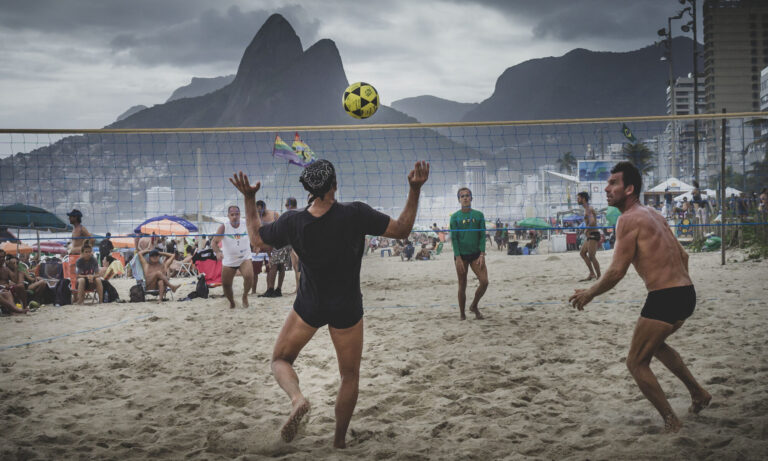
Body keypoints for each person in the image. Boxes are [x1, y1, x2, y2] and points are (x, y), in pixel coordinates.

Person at [229, 159, 429, 448]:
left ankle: (297, 399)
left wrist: (249, 198)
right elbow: (401, 230)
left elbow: (257, 240)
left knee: (279, 360)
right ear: (335, 185)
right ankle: (338, 442)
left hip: (310, 303)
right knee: (349, 376)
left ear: (308, 189)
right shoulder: (355, 213)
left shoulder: (293, 220)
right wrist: (414, 190)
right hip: (346, 305)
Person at [569, 162, 710, 433]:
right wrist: (679, 285)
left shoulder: (628, 219)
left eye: (613, 183)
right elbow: (684, 255)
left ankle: (672, 421)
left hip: (665, 297)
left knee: (635, 362)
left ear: (629, 188)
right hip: (686, 293)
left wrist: (589, 293)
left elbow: (616, 272)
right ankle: (698, 393)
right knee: (655, 346)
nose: (607, 189)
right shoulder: (654, 214)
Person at [450, 187, 488, 320]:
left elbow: (482, 236)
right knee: (462, 284)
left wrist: (482, 254)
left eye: (467, 195)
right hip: (462, 255)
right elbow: (454, 239)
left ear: (471, 198)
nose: (465, 198)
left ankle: (474, 306)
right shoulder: (454, 217)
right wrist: (458, 257)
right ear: (459, 200)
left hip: (476, 254)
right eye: (462, 196)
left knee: (484, 282)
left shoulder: (479, 215)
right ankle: (462, 314)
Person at [212, 205, 254, 308]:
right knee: (226, 284)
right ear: (228, 216)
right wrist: (217, 252)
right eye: (232, 215)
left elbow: (254, 235)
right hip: (229, 260)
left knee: (249, 276)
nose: (235, 216)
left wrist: (256, 245)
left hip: (244, 257)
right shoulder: (224, 227)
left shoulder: (246, 224)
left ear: (240, 215)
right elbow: (214, 242)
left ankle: (245, 296)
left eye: (237, 214)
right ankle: (232, 302)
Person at [254, 200, 280, 297]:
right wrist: (256, 246)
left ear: (264, 208)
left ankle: (272, 289)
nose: (259, 212)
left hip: (274, 243)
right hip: (263, 244)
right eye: (258, 211)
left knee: (274, 267)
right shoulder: (256, 217)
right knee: (259, 269)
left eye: (261, 210)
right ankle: (268, 289)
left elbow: (280, 227)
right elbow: (255, 233)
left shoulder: (274, 214)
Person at [577, 191, 601, 281]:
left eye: (578, 198)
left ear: (583, 199)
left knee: (591, 256)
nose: (577, 200)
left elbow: (593, 222)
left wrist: (586, 228)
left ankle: (599, 277)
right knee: (582, 253)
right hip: (590, 236)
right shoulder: (586, 209)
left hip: (593, 235)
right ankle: (592, 274)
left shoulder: (589, 209)